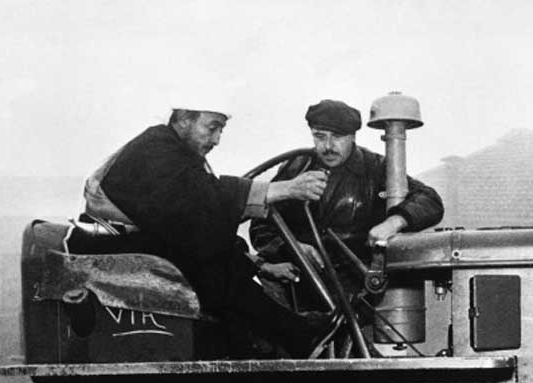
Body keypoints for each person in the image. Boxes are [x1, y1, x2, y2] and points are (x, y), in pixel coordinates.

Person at [80, 105, 341, 359]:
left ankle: (275, 345)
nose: (216, 139)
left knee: (223, 268)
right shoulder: (155, 150)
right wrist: (283, 190)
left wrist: (260, 265)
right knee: (213, 271)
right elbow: (202, 203)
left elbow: (200, 226)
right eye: (212, 128)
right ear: (184, 119)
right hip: (111, 250)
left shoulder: (177, 154)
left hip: (139, 246)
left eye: (220, 130)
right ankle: (297, 336)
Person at [249, 99, 444, 311]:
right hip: (300, 287)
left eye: (337, 137)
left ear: (353, 136)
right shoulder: (296, 168)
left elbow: (430, 200)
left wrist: (394, 223)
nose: (328, 146)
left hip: (358, 290)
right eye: (320, 136)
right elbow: (261, 224)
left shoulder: (375, 168)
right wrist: (292, 248)